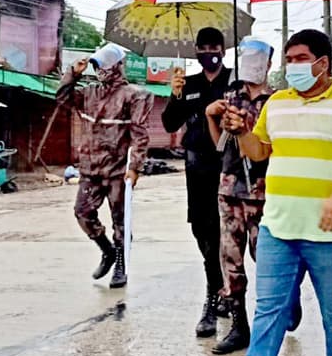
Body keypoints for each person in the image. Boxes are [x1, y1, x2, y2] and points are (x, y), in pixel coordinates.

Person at [203, 29, 332, 356]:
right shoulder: (277, 104)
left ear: (323, 62)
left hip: (330, 231)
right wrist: (242, 130)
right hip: (278, 225)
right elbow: (259, 152)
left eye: (300, 58)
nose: (293, 66)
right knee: (269, 311)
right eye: (289, 59)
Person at [57, 43, 153, 289]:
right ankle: (107, 251)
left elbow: (140, 134)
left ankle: (121, 263)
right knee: (82, 213)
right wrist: (73, 73)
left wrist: (135, 166)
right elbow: (63, 99)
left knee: (121, 220)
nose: (100, 70)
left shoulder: (133, 95)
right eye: (97, 65)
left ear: (118, 66)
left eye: (105, 65)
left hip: (118, 171)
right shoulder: (89, 93)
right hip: (90, 168)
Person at [204, 37, 276, 355]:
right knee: (231, 260)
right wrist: (212, 117)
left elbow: (270, 148)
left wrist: (247, 126)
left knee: (268, 258)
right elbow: (219, 143)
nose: (251, 63)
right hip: (230, 187)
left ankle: (285, 303)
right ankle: (239, 325)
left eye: (258, 58)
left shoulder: (277, 102)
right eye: (247, 56)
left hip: (264, 190)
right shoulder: (230, 97)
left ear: (270, 64)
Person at [163, 27, 233, 338]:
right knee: (203, 230)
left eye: (214, 46)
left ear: (223, 49)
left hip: (229, 165)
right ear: (196, 51)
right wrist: (174, 95)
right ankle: (216, 290)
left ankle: (224, 295)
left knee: (230, 232)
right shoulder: (187, 84)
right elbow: (169, 123)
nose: (209, 52)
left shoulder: (235, 81)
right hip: (197, 167)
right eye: (202, 47)